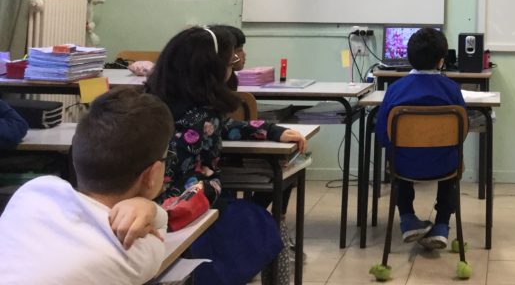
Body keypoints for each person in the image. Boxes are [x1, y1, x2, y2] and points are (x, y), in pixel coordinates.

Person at [0, 88, 173, 285]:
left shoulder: (34, 191)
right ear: (152, 175)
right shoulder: (132, 251)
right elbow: (162, 228)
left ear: (75, 159)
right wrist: (149, 207)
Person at [143, 25, 306, 230]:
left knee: (254, 213)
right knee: (258, 221)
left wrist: (271, 130)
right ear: (212, 70)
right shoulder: (199, 116)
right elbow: (180, 185)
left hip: (173, 208)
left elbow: (222, 126)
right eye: (230, 62)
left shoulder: (160, 102)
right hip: (185, 212)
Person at [376, 27, 466, 249]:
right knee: (454, 158)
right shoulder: (452, 90)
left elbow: (382, 136)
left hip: (404, 166)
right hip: (444, 166)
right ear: (441, 61)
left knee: (396, 155)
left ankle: (407, 218)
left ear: (409, 58)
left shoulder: (395, 90)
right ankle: (442, 224)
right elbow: (461, 134)